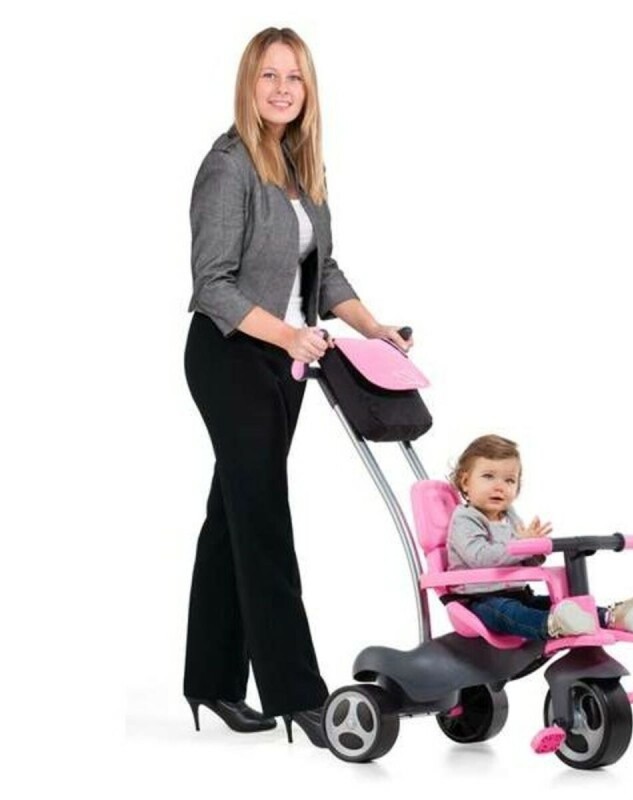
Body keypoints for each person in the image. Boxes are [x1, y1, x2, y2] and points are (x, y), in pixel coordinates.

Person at [183, 27, 412, 746]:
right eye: (269, 76)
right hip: (231, 358)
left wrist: (374, 328)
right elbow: (211, 286)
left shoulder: (299, 165)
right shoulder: (228, 168)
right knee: (264, 521)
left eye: (295, 78)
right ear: (248, 85)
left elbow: (325, 271)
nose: (283, 89)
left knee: (234, 516)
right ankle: (300, 695)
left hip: (289, 363)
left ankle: (211, 681)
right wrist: (288, 336)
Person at [446, 435, 633, 641]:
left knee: (560, 604)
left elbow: (519, 561)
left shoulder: (509, 516)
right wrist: (520, 545)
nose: (499, 486)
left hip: (518, 593)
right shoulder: (465, 518)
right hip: (478, 600)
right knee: (508, 612)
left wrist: (534, 551)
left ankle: (612, 617)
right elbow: (479, 558)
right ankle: (555, 625)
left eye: (509, 480)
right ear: (465, 482)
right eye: (488, 476)